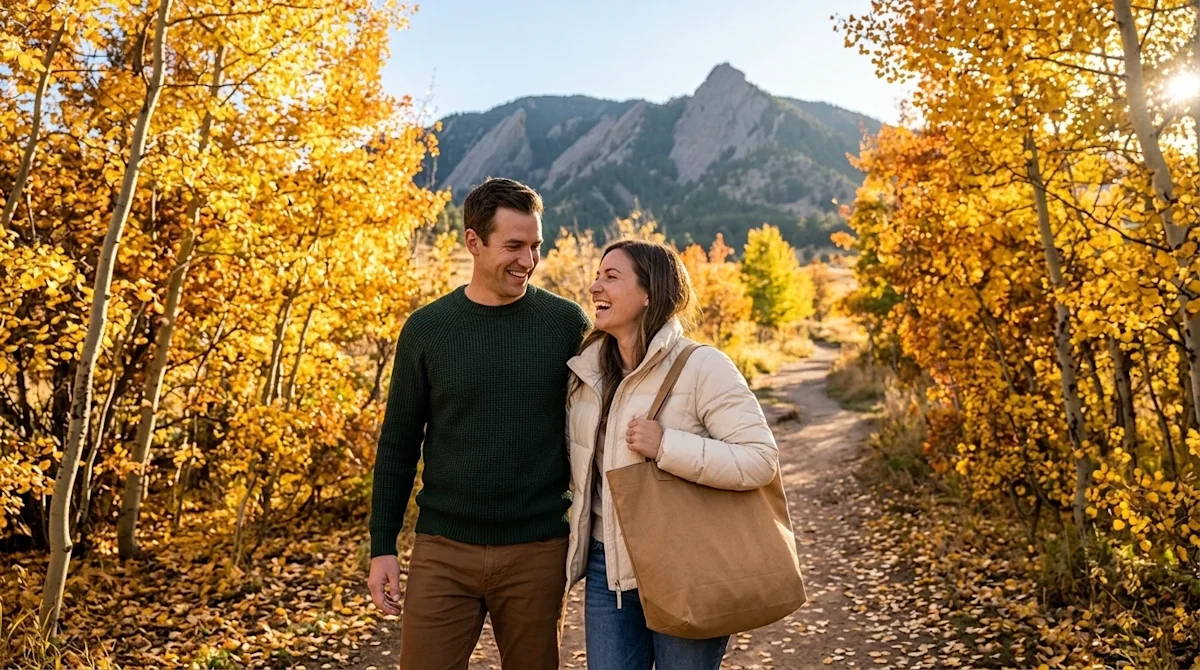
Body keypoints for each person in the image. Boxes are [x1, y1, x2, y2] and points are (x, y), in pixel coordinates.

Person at [368, 177, 590, 670]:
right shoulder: (427, 329)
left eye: (535, 245)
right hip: (443, 549)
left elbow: (601, 425)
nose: (528, 261)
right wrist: (382, 546)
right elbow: (399, 445)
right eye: (513, 245)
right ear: (473, 241)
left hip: (537, 549)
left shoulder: (565, 325)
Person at [564, 239, 779, 670]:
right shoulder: (586, 372)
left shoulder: (702, 366)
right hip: (610, 572)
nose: (594, 288)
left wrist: (666, 446)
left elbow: (760, 459)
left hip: (687, 564)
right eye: (596, 275)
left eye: (611, 277)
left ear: (649, 293)